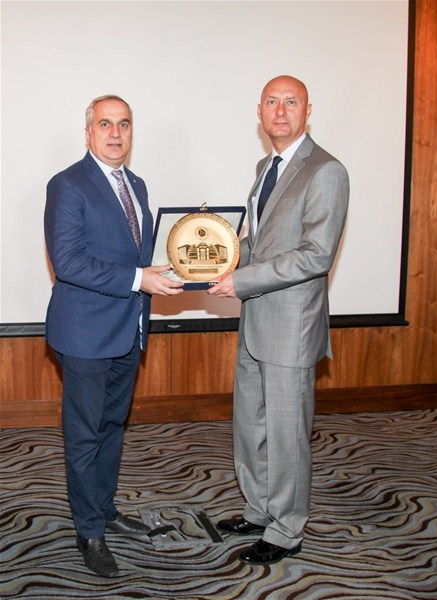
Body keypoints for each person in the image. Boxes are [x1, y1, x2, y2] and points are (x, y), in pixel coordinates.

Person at [207, 75, 349, 565]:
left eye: (291, 102)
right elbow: (259, 241)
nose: (281, 111)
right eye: (272, 102)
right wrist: (216, 260)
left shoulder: (326, 170)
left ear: (308, 111)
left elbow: (316, 254)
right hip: (256, 321)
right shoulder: (265, 166)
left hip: (291, 326)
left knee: (288, 434)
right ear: (260, 111)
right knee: (251, 424)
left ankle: (287, 529)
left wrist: (242, 280)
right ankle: (259, 509)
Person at [44, 95, 183, 577]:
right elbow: (69, 263)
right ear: (88, 132)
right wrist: (139, 279)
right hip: (85, 333)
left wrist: (176, 267)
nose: (116, 133)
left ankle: (104, 510)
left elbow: (136, 255)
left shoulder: (136, 184)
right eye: (105, 124)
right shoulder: (67, 184)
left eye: (124, 124)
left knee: (112, 428)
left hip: (128, 330)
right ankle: (88, 532)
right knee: (84, 436)